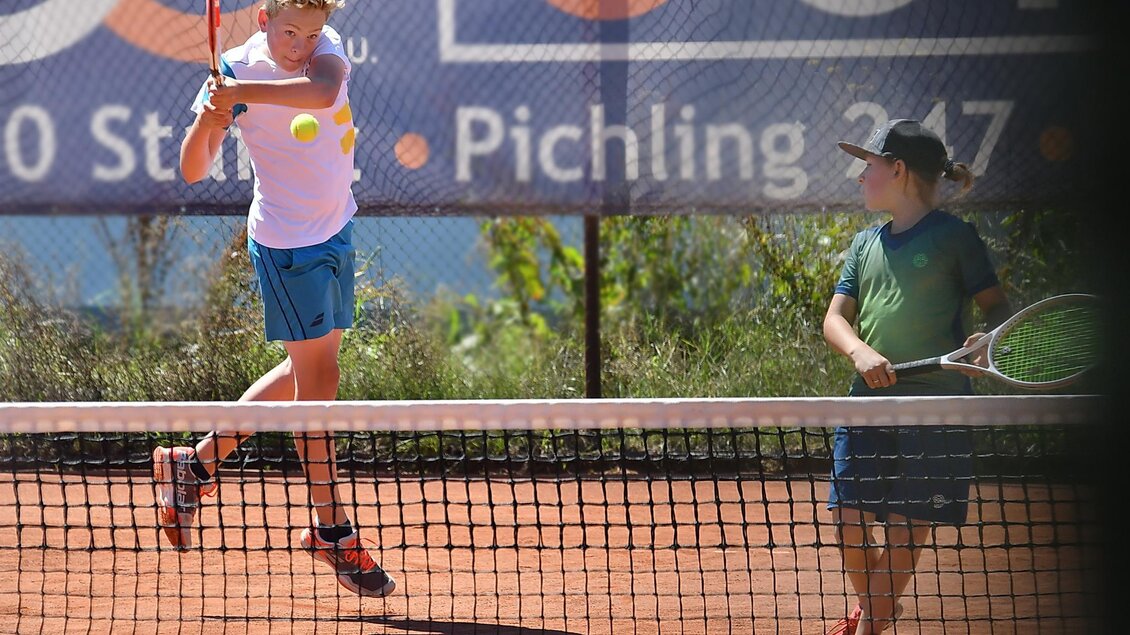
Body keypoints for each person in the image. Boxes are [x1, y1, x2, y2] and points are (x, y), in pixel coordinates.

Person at [152, 0, 395, 598]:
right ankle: (331, 529)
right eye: (290, 31)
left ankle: (195, 466)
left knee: (301, 371)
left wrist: (244, 95)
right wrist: (213, 118)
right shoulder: (237, 67)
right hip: (289, 248)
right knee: (320, 381)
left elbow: (320, 94)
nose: (302, 43)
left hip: (336, 230)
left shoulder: (323, 52)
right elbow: (192, 168)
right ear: (263, 20)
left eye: (311, 32)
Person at [821, 119, 1012, 634]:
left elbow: (997, 311)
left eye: (869, 165)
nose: (861, 176)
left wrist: (984, 342)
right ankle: (882, 609)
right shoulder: (864, 244)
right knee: (846, 521)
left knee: (907, 531)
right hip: (867, 404)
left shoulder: (956, 238)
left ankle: (870, 623)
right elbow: (834, 320)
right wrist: (861, 352)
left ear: (898, 169)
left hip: (938, 409)